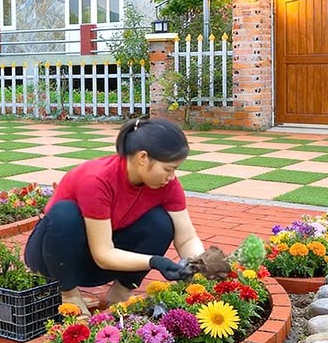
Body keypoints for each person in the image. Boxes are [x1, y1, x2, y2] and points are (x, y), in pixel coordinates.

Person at [24, 117, 205, 315]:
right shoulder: (97, 180)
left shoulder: (167, 185)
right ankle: (69, 295)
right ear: (142, 158)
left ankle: (121, 292)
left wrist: (199, 267)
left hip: (99, 264)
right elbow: (103, 254)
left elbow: (186, 236)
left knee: (161, 223)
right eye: (168, 169)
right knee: (65, 214)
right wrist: (154, 261)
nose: (171, 177)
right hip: (52, 258)